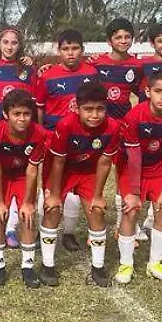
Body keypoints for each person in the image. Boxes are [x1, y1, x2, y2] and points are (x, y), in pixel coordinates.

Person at [44, 82, 120, 287]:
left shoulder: (113, 127)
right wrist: (54, 194)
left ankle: (98, 266)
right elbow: (58, 161)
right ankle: (47, 265)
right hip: (63, 169)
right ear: (77, 109)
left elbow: (104, 162)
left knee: (97, 211)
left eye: (100, 109)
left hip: (88, 171)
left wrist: (98, 195)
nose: (94, 115)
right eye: (88, 109)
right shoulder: (65, 125)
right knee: (52, 209)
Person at [116, 70, 162, 284]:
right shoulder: (134, 116)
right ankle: (126, 263)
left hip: (156, 168)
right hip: (130, 167)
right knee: (131, 210)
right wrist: (135, 193)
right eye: (158, 91)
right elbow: (134, 157)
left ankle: (154, 263)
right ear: (147, 92)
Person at [35, 28, 99, 253]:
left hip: (83, 142)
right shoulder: (48, 75)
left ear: (82, 50)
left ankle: (69, 233)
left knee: (76, 191)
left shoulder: (92, 73)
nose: (70, 53)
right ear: (58, 50)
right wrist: (42, 135)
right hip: (54, 141)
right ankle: (44, 231)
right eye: (66, 49)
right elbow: (40, 109)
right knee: (51, 190)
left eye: (75, 48)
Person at [0, 27, 37, 249]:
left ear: (19, 45)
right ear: (0, 43)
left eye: (14, 42)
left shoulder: (28, 70)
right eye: (6, 42)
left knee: (20, 174)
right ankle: (4, 223)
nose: (10, 46)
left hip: (21, 132)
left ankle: (12, 227)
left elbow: (35, 99)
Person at [0, 88, 47, 288]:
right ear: (5, 114)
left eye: (26, 114)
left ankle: (27, 267)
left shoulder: (39, 134)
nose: (22, 119)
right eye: (16, 114)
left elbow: (31, 170)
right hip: (2, 176)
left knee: (27, 217)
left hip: (22, 176)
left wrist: (28, 202)